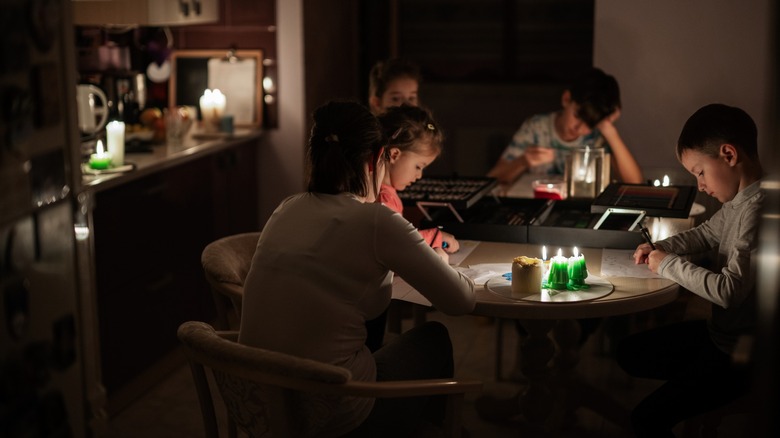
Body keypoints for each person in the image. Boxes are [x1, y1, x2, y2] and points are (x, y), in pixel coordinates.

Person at [238, 101, 476, 437]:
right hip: (332, 412)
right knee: (433, 339)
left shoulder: (286, 208)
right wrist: (438, 260)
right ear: (376, 158)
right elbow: (461, 301)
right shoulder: (377, 220)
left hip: (260, 405)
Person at [617, 103, 764, 437]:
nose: (699, 185)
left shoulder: (759, 210)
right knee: (628, 353)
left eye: (699, 172)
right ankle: (691, 391)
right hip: (720, 337)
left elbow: (729, 291)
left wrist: (667, 264)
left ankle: (694, 395)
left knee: (646, 419)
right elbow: (706, 233)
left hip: (741, 356)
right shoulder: (739, 203)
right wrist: (664, 247)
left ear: (728, 155)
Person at [487, 67, 643, 195]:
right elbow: (492, 178)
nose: (580, 129)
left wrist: (608, 129)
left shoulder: (597, 138)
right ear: (566, 99)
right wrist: (523, 162)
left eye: (590, 124)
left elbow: (635, 183)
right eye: (577, 116)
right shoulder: (536, 128)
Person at [376, 104, 460, 256]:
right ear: (394, 155)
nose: (419, 175)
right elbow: (397, 243)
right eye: (418, 166)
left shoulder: (385, 192)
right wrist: (435, 237)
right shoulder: (383, 199)